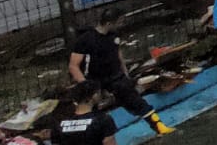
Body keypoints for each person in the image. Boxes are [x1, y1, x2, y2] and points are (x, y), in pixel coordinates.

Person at [69, 8, 174, 136]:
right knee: (91, 111)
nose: (121, 25)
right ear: (108, 23)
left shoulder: (114, 35)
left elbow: (119, 55)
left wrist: (125, 74)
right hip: (94, 80)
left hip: (115, 77)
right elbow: (73, 66)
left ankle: (159, 126)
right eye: (119, 22)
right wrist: (86, 86)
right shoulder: (86, 39)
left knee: (136, 100)